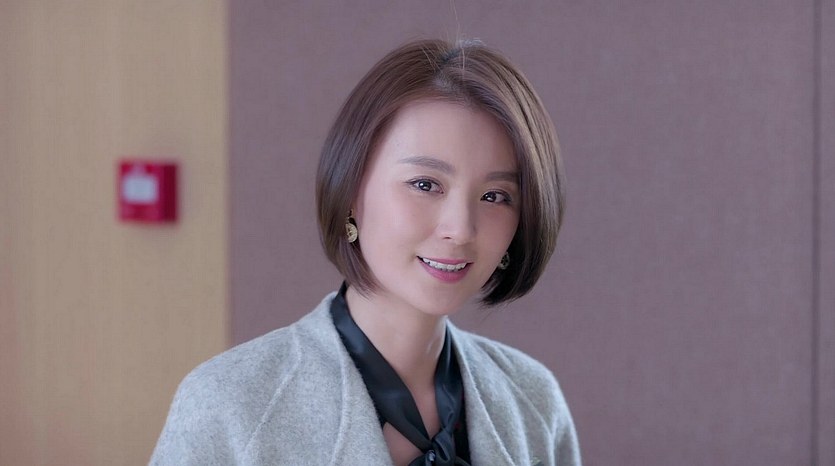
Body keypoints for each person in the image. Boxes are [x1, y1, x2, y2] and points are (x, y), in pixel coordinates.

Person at [151, 38, 580, 466]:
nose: (460, 229)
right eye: (425, 184)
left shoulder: (533, 400)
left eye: (495, 196)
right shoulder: (230, 403)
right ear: (352, 191)